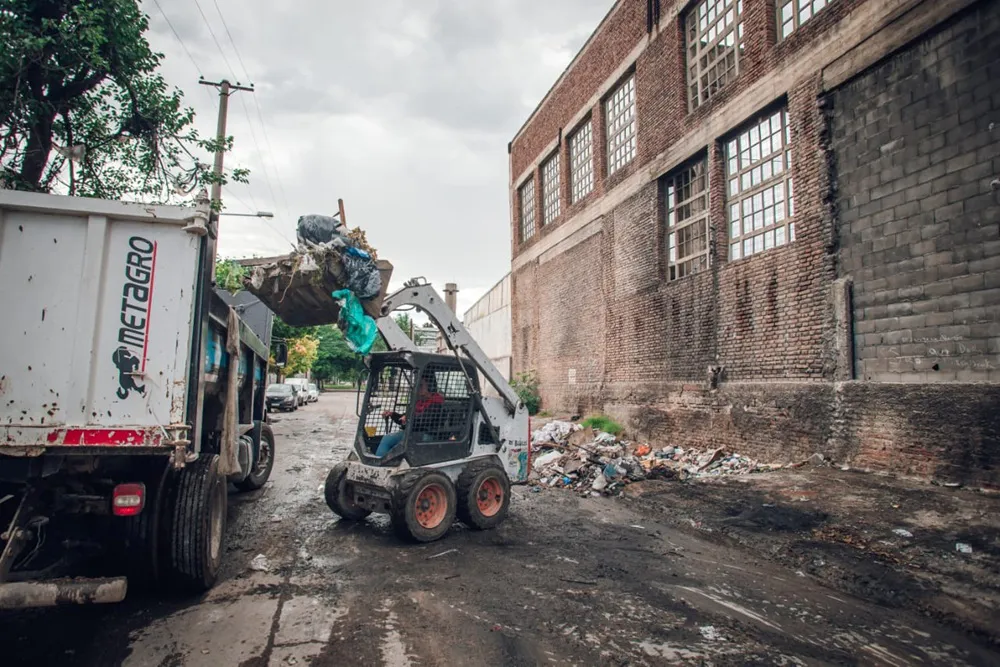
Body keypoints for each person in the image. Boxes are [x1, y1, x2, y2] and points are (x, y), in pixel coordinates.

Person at [375, 373, 444, 457]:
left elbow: (425, 419)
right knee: (387, 438)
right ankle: (380, 461)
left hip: (428, 434)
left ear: (430, 386)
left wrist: (409, 418)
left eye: (421, 385)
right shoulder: (419, 402)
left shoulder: (436, 402)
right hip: (413, 433)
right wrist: (392, 414)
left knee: (401, 442)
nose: (418, 388)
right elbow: (404, 418)